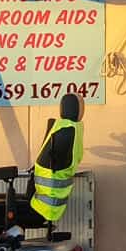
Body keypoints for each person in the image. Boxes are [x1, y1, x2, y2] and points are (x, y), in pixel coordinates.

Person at [29, 94, 84, 224]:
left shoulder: (62, 130)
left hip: (42, 204)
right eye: (82, 105)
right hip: (50, 204)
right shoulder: (70, 131)